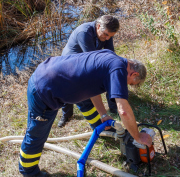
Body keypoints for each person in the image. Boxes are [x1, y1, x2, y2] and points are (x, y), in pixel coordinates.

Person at [19, 49, 152, 177]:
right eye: (132, 84)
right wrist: (138, 137)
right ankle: (29, 172)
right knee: (36, 135)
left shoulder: (111, 58)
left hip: (48, 75)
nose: (128, 85)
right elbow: (123, 112)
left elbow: (93, 88)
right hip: (44, 89)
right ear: (134, 74)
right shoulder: (118, 70)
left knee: (39, 132)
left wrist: (103, 114)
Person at [58, 15, 120, 128]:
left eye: (110, 36)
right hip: (69, 63)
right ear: (98, 26)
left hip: (86, 60)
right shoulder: (84, 32)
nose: (107, 38)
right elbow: (93, 61)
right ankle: (67, 115)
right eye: (106, 35)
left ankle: (113, 106)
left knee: (111, 73)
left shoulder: (107, 34)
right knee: (68, 90)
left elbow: (110, 54)